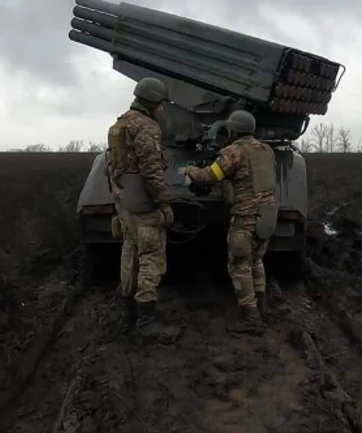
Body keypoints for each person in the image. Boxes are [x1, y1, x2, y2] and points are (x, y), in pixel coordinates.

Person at [183, 110, 278, 334]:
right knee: (256, 261)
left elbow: (209, 176)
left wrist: (190, 170)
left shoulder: (234, 152)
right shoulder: (266, 150)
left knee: (239, 264)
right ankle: (262, 308)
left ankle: (251, 319)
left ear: (233, 130)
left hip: (245, 217)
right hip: (267, 215)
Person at [106, 76, 181, 341]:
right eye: (162, 103)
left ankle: (129, 311)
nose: (163, 108)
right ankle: (146, 321)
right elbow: (152, 172)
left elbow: (112, 164)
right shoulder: (147, 128)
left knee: (130, 253)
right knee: (151, 258)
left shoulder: (120, 124)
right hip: (144, 206)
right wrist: (164, 204)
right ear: (152, 102)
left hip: (126, 204)